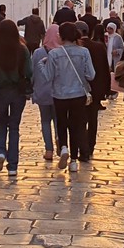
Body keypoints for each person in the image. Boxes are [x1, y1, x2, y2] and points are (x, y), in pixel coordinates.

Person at [45, 22, 95, 172]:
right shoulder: (84, 52)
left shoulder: (54, 54)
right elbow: (91, 74)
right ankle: (73, 160)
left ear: (61, 36)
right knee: (76, 126)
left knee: (61, 122)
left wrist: (42, 66)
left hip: (59, 94)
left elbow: (49, 76)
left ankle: (64, 148)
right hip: (78, 94)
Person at [0, 18, 31, 178]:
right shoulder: (22, 50)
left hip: (1, 90)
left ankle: (0, 151)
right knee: (14, 127)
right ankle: (12, 166)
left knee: (1, 122)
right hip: (18, 91)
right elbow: (29, 71)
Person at [77, 20, 110, 160]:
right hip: (96, 90)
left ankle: (83, 148)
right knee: (92, 118)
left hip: (79, 89)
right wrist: (107, 89)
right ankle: (90, 146)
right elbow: (105, 69)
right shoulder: (99, 47)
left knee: (80, 119)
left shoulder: (77, 49)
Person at [29, 24, 60, 162]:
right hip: (59, 93)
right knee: (58, 121)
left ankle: (48, 149)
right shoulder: (61, 53)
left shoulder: (37, 53)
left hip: (42, 92)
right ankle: (61, 142)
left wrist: (32, 87)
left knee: (45, 121)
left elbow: (32, 72)